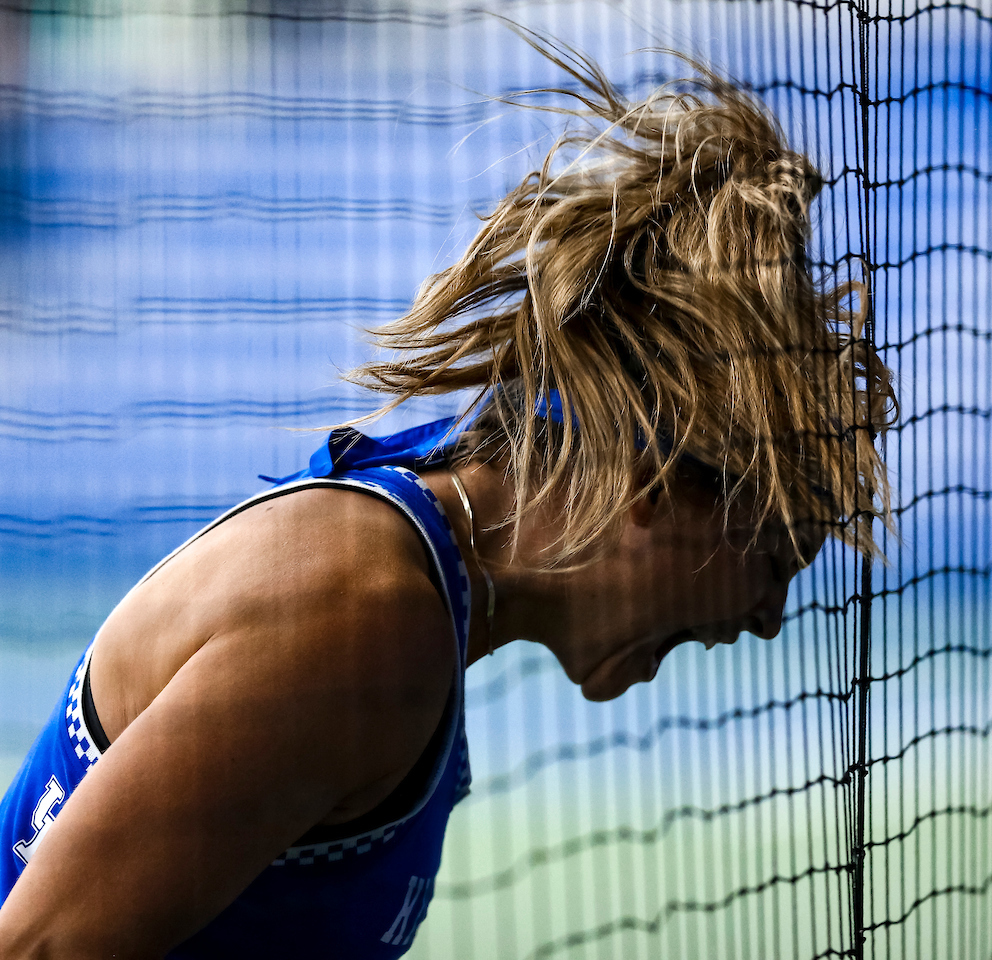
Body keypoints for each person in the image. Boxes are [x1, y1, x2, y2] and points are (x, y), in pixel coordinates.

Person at [0, 36, 895, 959]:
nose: (768, 616)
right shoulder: (365, 621)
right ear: (657, 489)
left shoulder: (419, 587)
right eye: (777, 555)